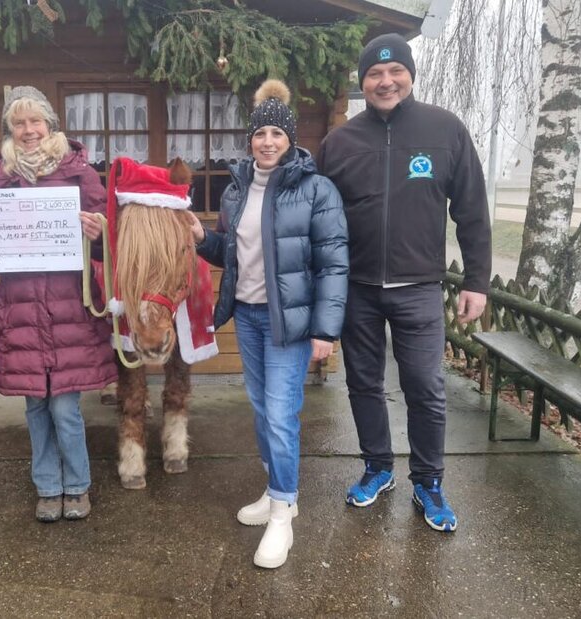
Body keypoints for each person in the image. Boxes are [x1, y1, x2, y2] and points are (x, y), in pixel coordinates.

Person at [315, 33, 492, 532]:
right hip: (358, 288)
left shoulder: (445, 130)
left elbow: (473, 212)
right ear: (362, 82)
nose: (385, 81)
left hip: (418, 288)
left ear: (410, 76)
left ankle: (428, 481)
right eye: (374, 73)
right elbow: (319, 217)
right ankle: (376, 468)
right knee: (364, 383)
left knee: (425, 386)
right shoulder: (340, 142)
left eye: (395, 72)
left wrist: (476, 281)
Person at [191, 79, 348, 568]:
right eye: (260, 134)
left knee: (281, 415)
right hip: (251, 316)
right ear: (250, 139)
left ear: (290, 139)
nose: (267, 142)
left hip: (292, 324)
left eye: (277, 134)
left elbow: (333, 263)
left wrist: (326, 330)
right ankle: (278, 492)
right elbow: (231, 257)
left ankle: (283, 516)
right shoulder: (237, 192)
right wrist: (201, 237)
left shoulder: (316, 189)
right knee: (261, 410)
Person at [0, 86, 116, 523]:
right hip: (19, 311)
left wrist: (99, 237)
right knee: (35, 405)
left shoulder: (80, 173)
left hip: (69, 311)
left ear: (50, 124)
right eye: (19, 122)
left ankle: (77, 485)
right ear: (10, 128)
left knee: (64, 406)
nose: (28, 130)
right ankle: (47, 487)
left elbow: (110, 250)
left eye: (35, 120)